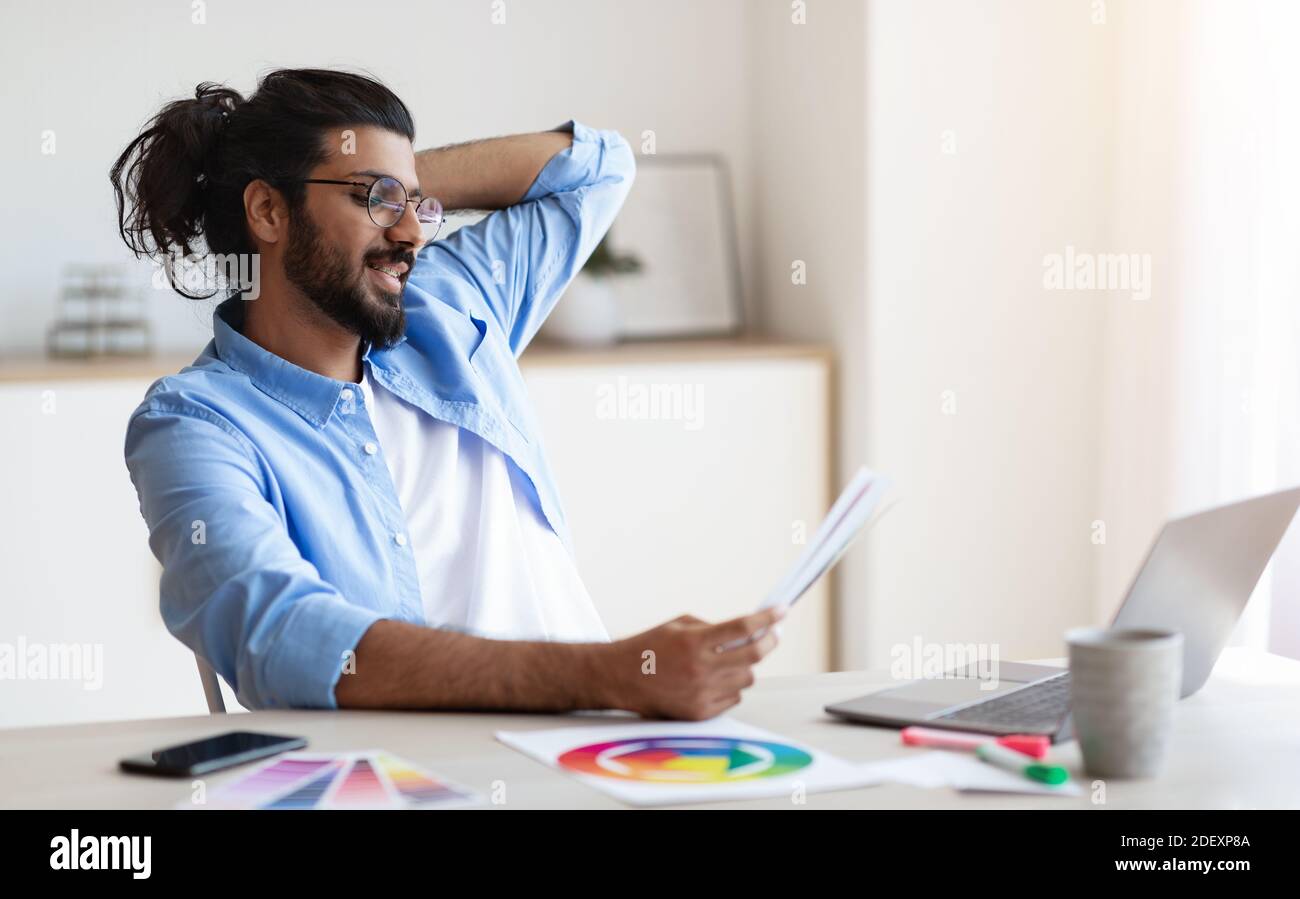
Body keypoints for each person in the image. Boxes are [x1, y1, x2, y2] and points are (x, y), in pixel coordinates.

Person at [112, 68, 781, 720]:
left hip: (604, 742)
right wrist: (613, 674)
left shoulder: (446, 308)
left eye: (415, 205)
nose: (409, 234)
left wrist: (391, 181)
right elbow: (283, 634)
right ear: (267, 209)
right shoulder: (195, 424)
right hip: (427, 779)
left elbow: (597, 172)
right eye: (373, 200)